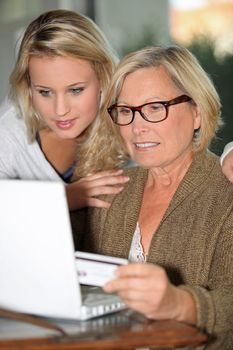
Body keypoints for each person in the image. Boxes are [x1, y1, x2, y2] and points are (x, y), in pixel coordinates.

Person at [71, 45, 233, 349]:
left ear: (197, 112)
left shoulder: (226, 194)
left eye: (155, 107)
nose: (137, 126)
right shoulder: (110, 189)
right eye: (125, 111)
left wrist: (181, 305)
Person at [0, 9, 129, 210]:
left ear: (103, 77)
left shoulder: (129, 120)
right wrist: (61, 199)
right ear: (28, 86)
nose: (60, 110)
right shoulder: (8, 134)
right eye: (45, 92)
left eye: (75, 90)